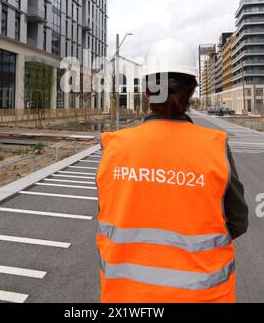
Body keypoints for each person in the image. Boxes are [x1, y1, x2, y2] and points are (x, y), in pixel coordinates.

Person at [96, 38, 248, 303]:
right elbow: (238, 221)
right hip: (203, 297)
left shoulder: (115, 147)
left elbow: (108, 214)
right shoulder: (214, 147)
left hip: (127, 298)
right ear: (191, 91)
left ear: (146, 92)